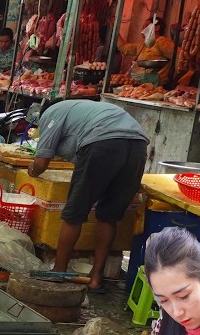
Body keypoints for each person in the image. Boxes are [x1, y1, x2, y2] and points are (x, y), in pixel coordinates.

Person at [28, 100, 148, 291]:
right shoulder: (84, 109)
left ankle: (59, 270)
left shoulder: (52, 112)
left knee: (74, 213)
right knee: (108, 216)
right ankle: (96, 278)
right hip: (138, 146)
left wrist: (32, 170)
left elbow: (41, 162)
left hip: (102, 143)